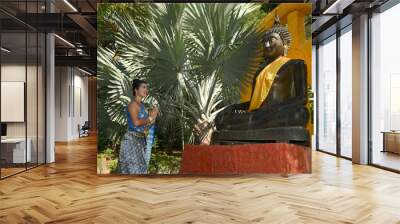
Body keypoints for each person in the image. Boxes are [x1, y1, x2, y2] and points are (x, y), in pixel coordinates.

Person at [119, 79, 158, 174]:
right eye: (143, 87)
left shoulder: (143, 106)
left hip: (141, 141)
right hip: (131, 141)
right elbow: (136, 123)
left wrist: (154, 116)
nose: (146, 90)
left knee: (141, 170)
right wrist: (149, 118)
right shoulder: (133, 104)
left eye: (146, 87)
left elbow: (146, 126)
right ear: (136, 90)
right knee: (133, 171)